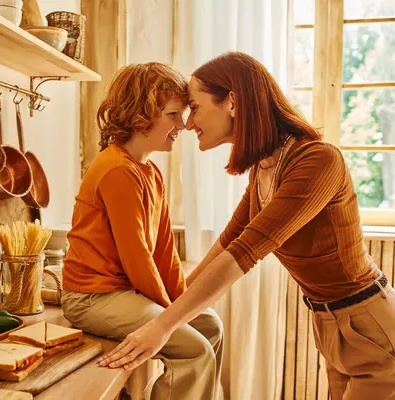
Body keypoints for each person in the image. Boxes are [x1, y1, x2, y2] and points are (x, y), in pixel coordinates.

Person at [97, 51, 395, 400]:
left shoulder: (317, 160)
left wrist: (163, 325)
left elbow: (244, 253)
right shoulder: (264, 169)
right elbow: (229, 240)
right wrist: (168, 309)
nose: (189, 123)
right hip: (330, 323)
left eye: (195, 107)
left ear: (233, 102)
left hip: (370, 322)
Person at [60, 62, 224, 400]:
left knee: (210, 326)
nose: (184, 125)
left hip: (123, 293)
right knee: (195, 350)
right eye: (174, 115)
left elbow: (164, 251)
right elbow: (138, 260)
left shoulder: (150, 172)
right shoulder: (116, 170)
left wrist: (182, 305)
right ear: (141, 115)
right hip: (92, 297)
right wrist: (171, 316)